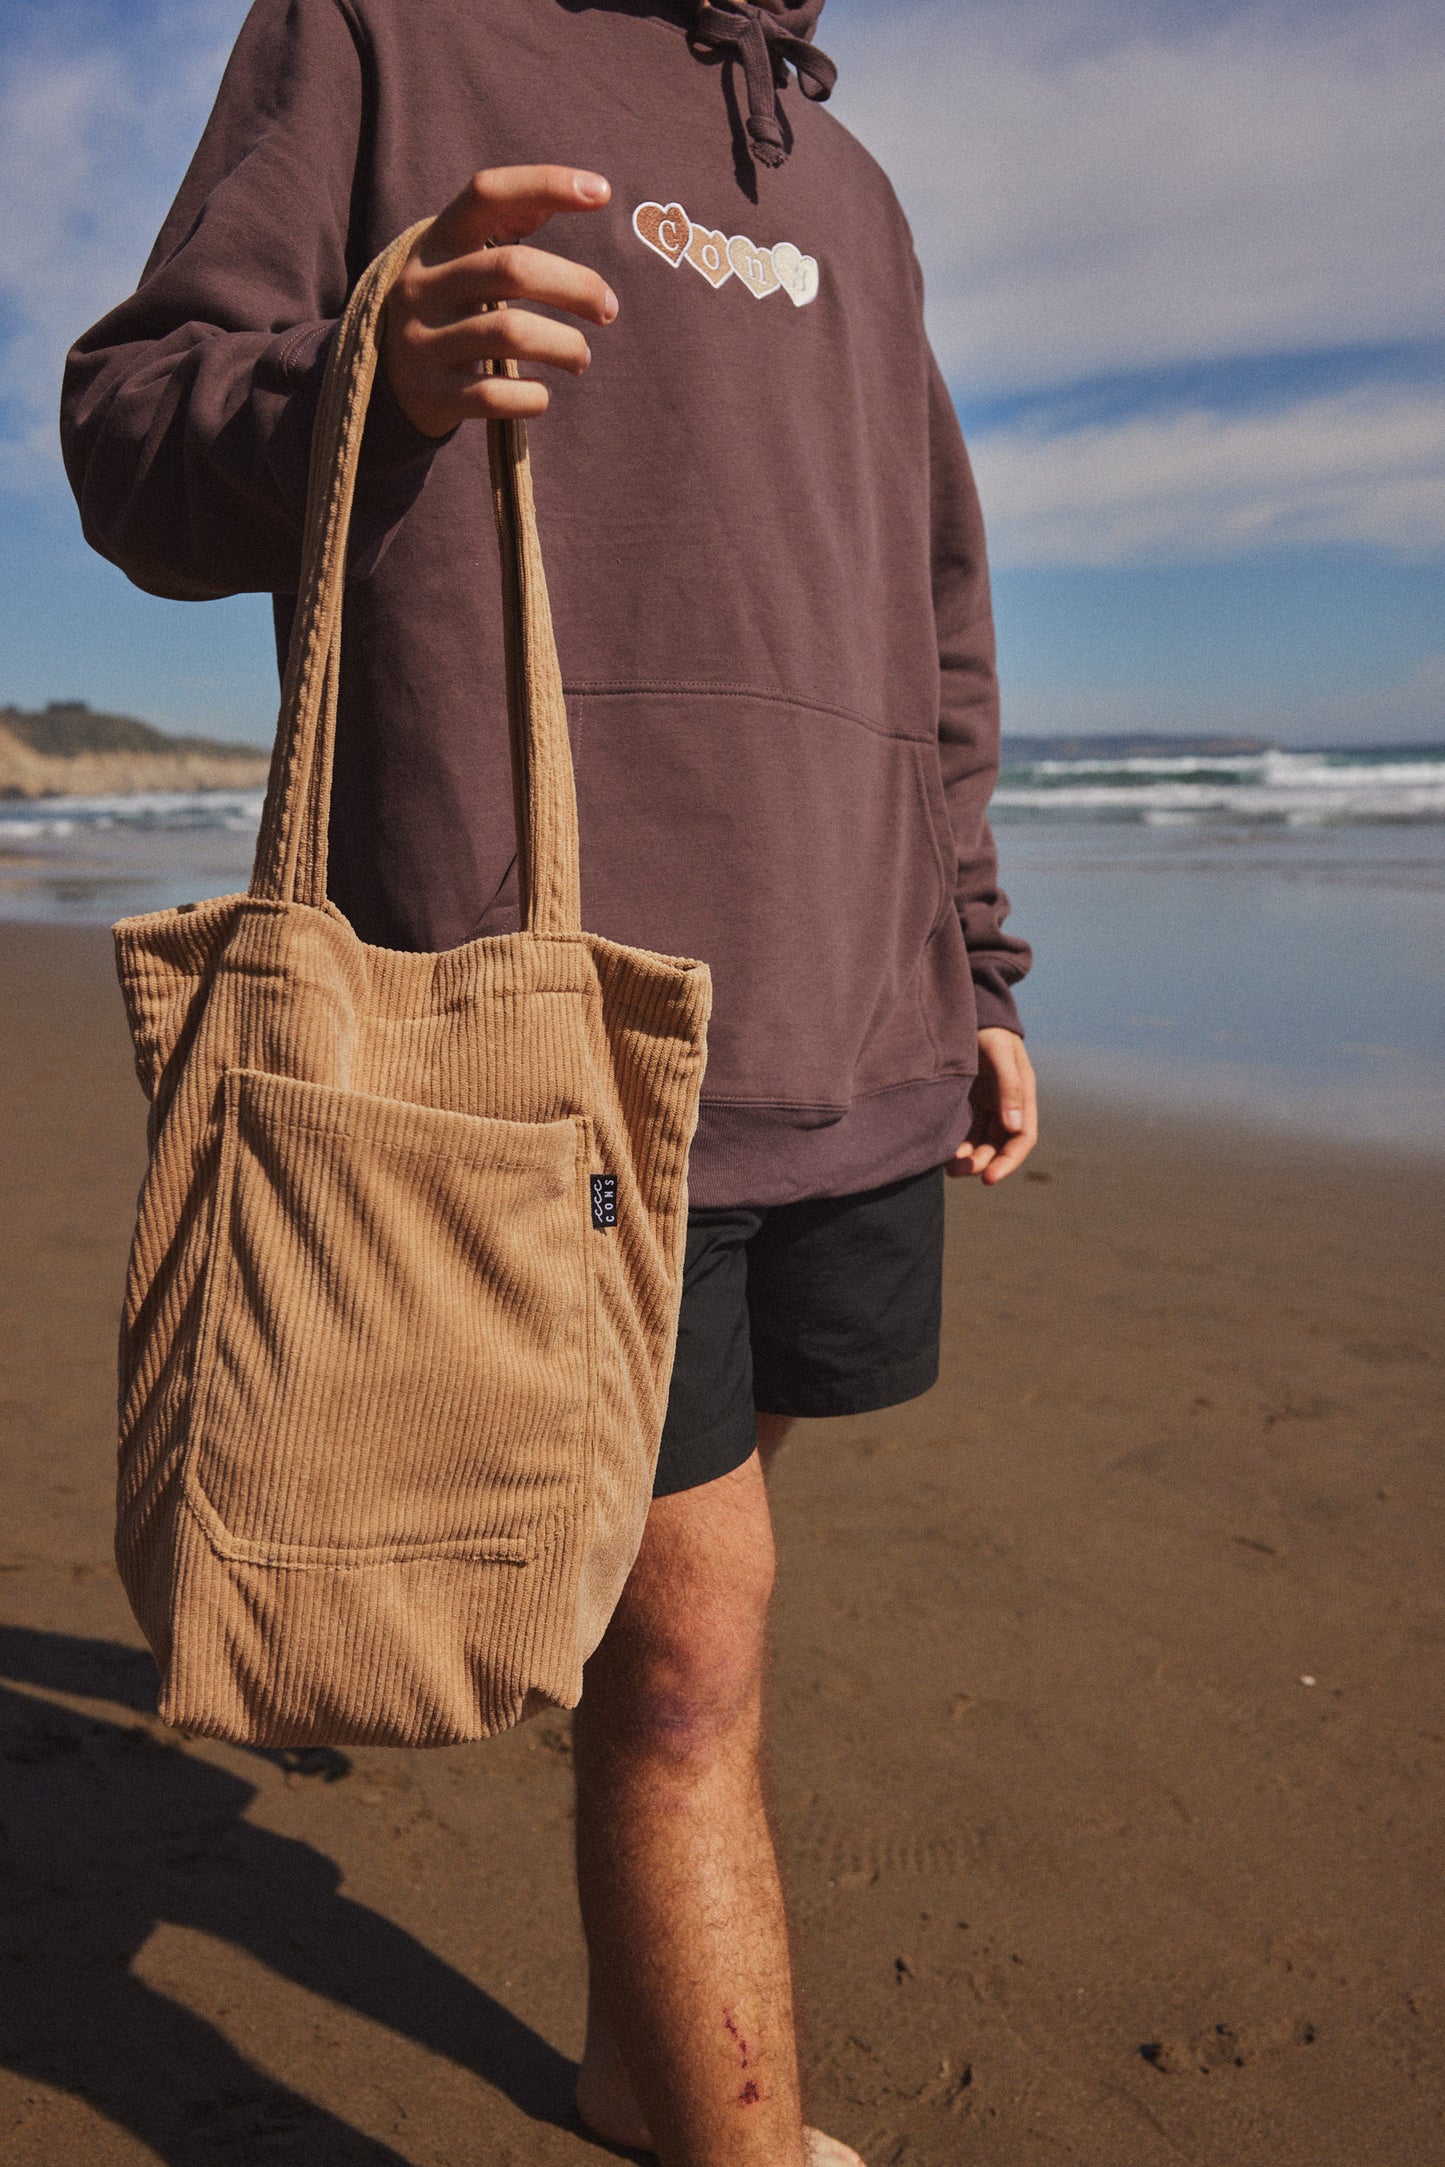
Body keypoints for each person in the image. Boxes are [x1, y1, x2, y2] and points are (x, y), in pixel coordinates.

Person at [62, 2, 1036, 2159]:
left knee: (666, 1615)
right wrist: (365, 373)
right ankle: (728, 2129)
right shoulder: (383, 31)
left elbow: (932, 613)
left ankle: (623, 2052)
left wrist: (977, 959)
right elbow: (128, 430)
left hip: (859, 1035)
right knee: (690, 1662)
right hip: (550, 1051)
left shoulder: (851, 196)